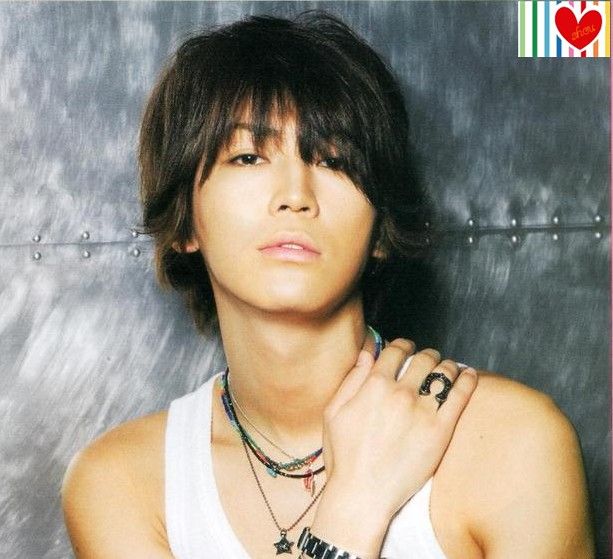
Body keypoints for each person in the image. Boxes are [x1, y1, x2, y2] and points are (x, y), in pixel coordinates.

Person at [61, 11, 594, 559]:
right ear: (184, 221)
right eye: (248, 156)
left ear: (381, 227)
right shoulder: (123, 484)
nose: (295, 195)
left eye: (333, 160)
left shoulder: (511, 442)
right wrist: (351, 508)